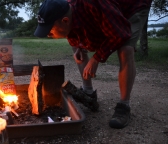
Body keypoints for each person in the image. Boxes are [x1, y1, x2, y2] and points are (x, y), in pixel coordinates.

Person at [34, 0, 152, 129]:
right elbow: (75, 33)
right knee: (76, 47)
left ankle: (124, 105)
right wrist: (80, 46)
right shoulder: (67, 9)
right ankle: (88, 93)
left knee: (125, 49)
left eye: (50, 30)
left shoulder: (95, 4)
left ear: (65, 21)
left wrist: (96, 58)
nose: (48, 35)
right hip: (111, 8)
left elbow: (120, 34)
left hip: (133, 6)